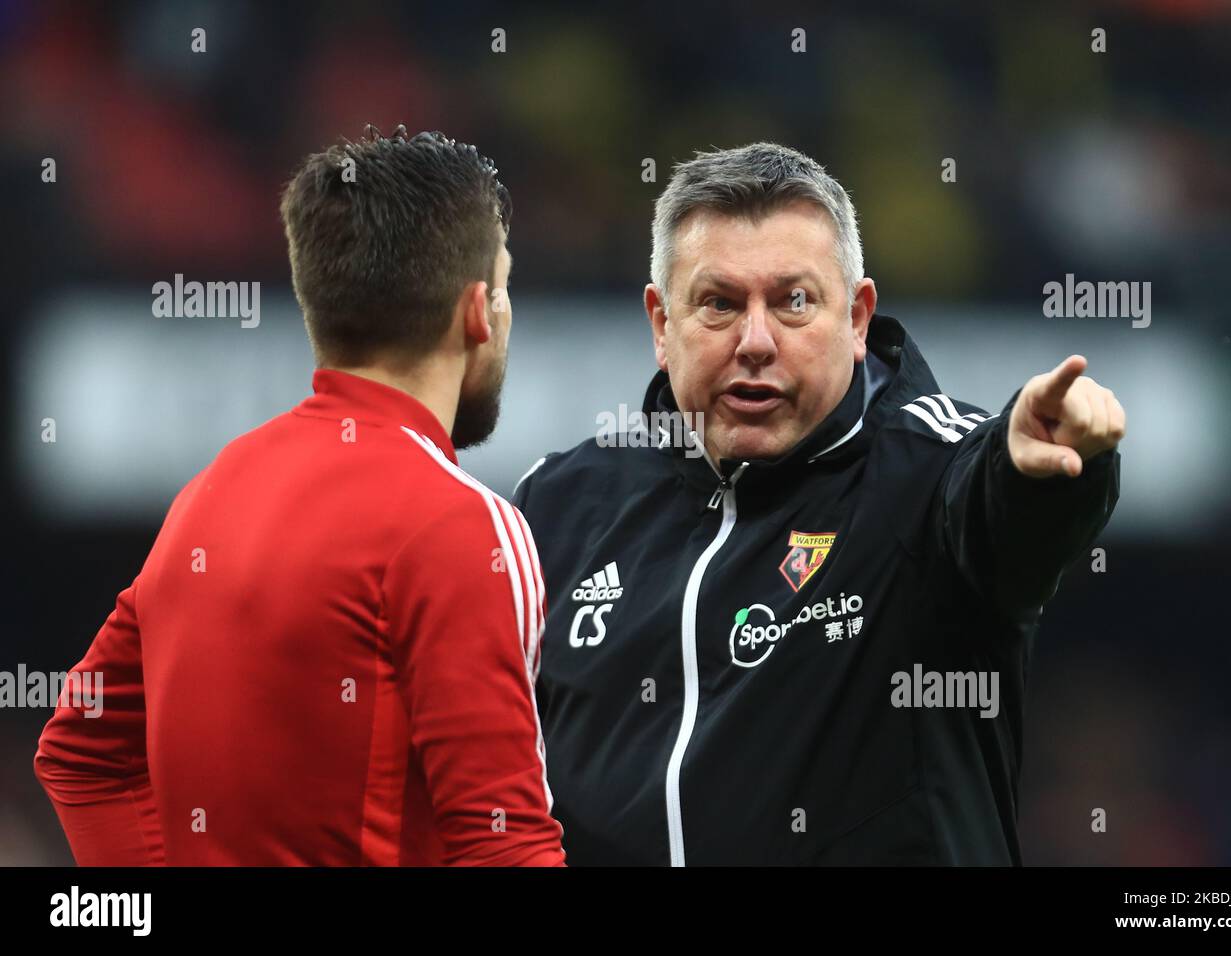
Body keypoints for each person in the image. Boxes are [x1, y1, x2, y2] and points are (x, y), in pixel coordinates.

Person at [512, 142, 1123, 865]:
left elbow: (1007, 514)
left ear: (858, 319)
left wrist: (1048, 472)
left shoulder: (930, 475)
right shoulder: (559, 506)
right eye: (719, 304)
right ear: (659, 323)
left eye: (794, 302)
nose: (756, 341)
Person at [34, 127, 565, 866]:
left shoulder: (210, 494)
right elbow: (503, 846)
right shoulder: (464, 526)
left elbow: (81, 752)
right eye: (505, 286)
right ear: (479, 311)